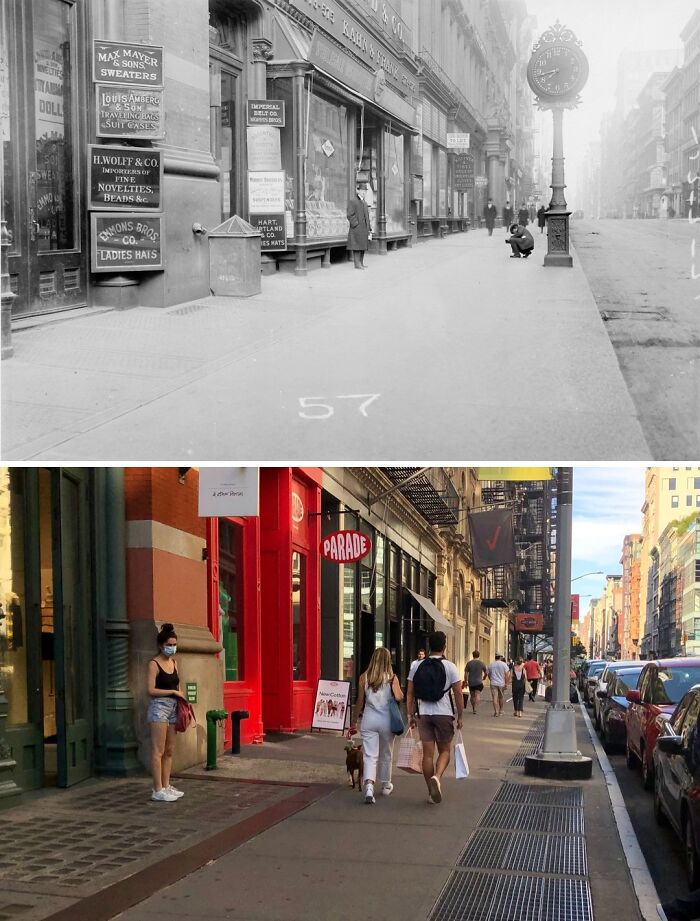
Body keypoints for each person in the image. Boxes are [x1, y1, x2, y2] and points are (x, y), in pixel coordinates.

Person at [406, 631, 463, 804]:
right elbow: (458, 693)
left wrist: (410, 714)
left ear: (429, 646)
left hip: (423, 713)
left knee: (427, 755)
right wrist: (460, 716)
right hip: (444, 713)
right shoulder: (450, 667)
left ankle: (431, 793)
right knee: (445, 751)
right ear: (444, 646)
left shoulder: (417, 666)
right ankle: (437, 777)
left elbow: (410, 693)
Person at [355, 647, 403, 804]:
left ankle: (369, 786)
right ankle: (385, 785)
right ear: (388, 660)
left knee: (370, 755)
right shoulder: (392, 678)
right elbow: (399, 697)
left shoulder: (364, 677)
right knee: (386, 753)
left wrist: (354, 721)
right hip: (386, 720)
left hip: (369, 719)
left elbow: (360, 702)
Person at [147, 623, 187, 802]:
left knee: (170, 750)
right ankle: (157, 789)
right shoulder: (154, 664)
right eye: (169, 645)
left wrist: (181, 700)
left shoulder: (174, 662)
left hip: (174, 707)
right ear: (161, 645)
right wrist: (172, 692)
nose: (172, 648)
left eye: (174, 644)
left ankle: (166, 785)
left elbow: (178, 685)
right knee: (158, 750)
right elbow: (150, 690)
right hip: (159, 707)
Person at [347, 183, 372, 269]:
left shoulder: (364, 203)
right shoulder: (353, 201)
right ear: (358, 191)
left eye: (365, 191)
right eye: (362, 190)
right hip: (357, 229)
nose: (364, 192)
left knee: (363, 246)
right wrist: (356, 225)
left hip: (364, 229)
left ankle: (361, 263)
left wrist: (369, 228)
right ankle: (357, 264)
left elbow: (367, 217)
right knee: (357, 246)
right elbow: (350, 215)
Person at [464, 650, 488, 715]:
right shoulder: (481, 663)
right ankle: (475, 708)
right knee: (477, 695)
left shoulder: (469, 663)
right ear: (479, 655)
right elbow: (486, 672)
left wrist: (465, 681)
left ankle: (473, 707)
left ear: (473, 655)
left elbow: (466, 673)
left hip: (471, 682)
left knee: (472, 696)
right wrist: (484, 677)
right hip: (479, 682)